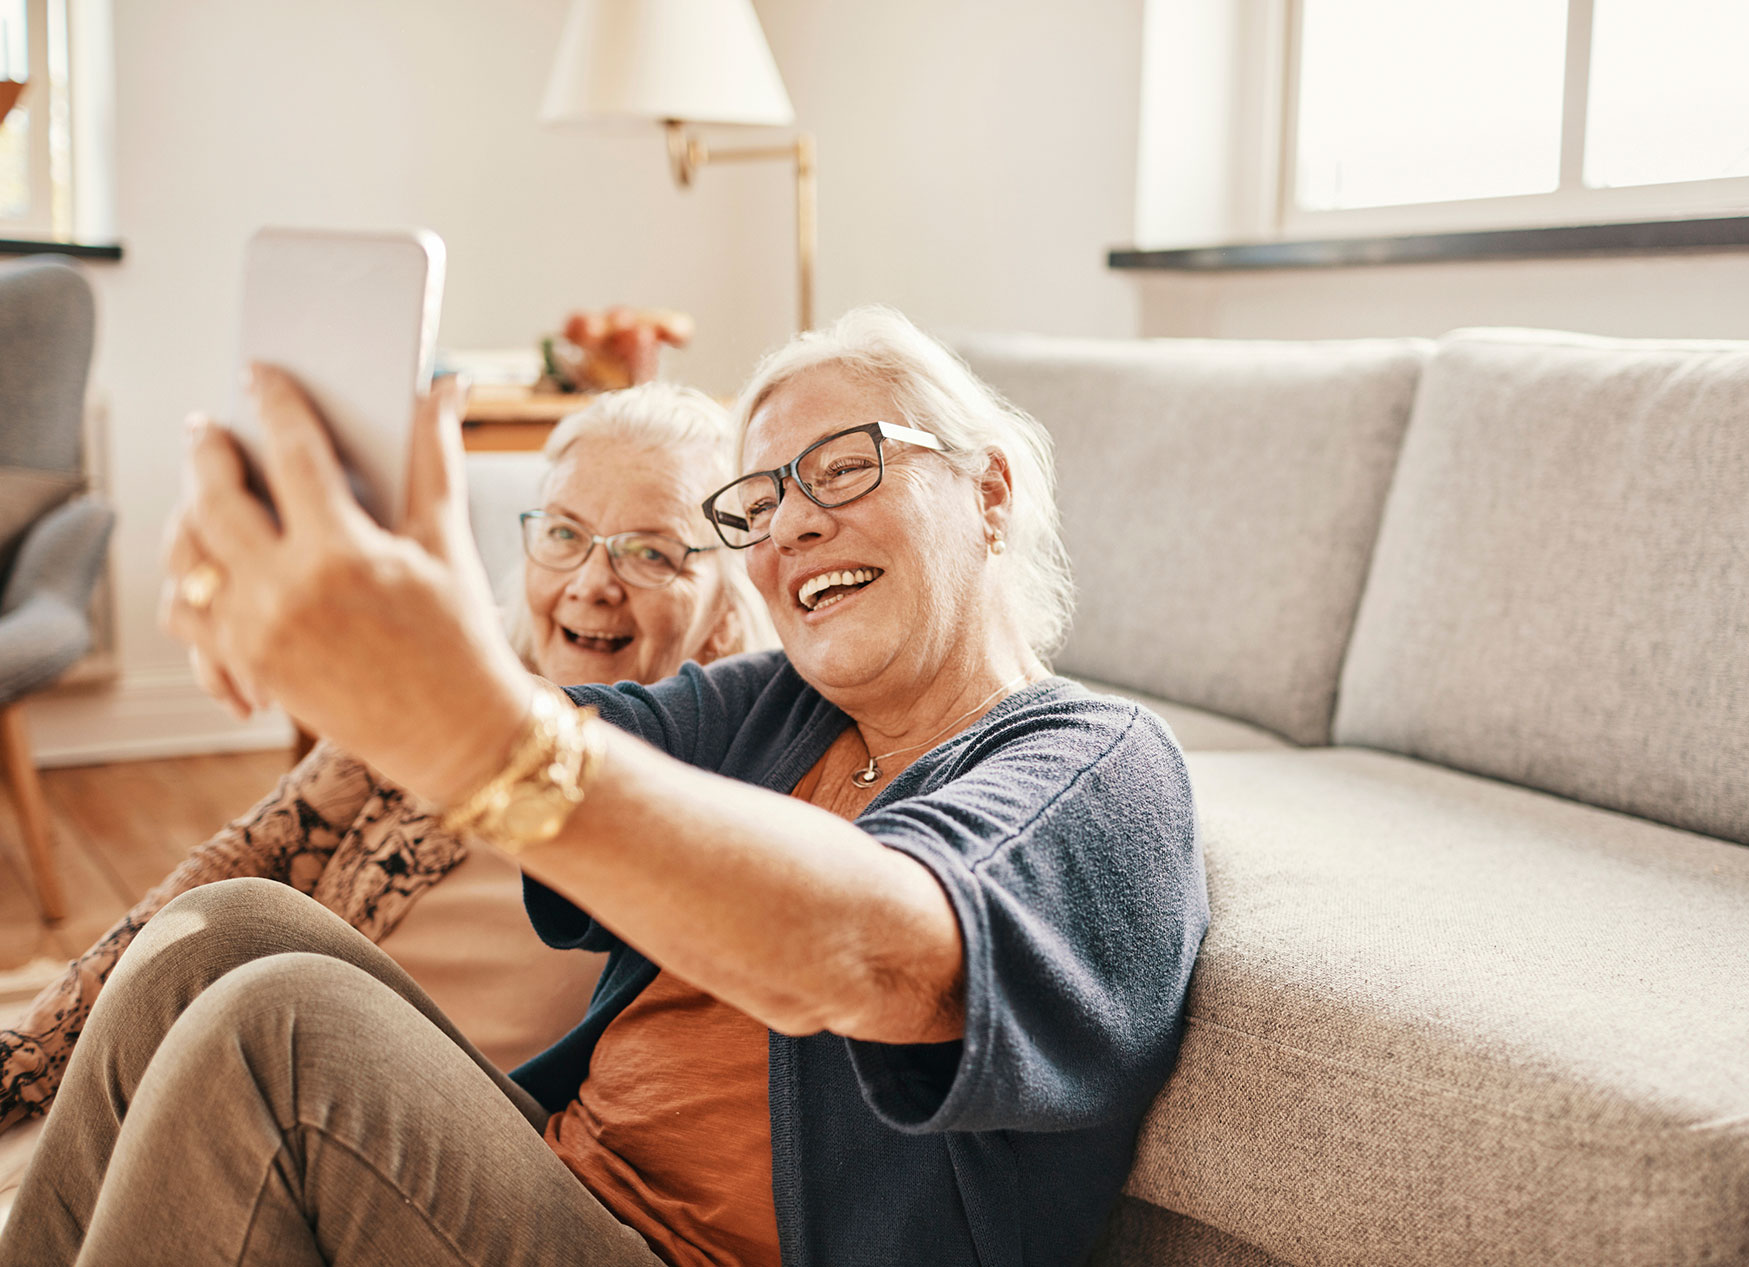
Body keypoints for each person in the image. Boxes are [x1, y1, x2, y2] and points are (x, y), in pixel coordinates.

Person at [0, 306, 1206, 1267]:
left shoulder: (1092, 766)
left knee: (281, 1038)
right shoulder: (782, 708)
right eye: (759, 502)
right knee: (227, 933)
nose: (790, 527)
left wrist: (476, 730)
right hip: (558, 1190)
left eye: (840, 469)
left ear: (987, 493)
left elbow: (868, 950)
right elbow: (546, 722)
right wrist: (399, 621)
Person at [0, 381, 771, 1133]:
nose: (593, 583)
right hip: (245, 1063)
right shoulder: (436, 697)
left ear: (724, 610)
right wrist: (27, 1060)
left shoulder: (721, 798)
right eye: (566, 534)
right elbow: (239, 863)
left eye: (651, 553)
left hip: (407, 1157)